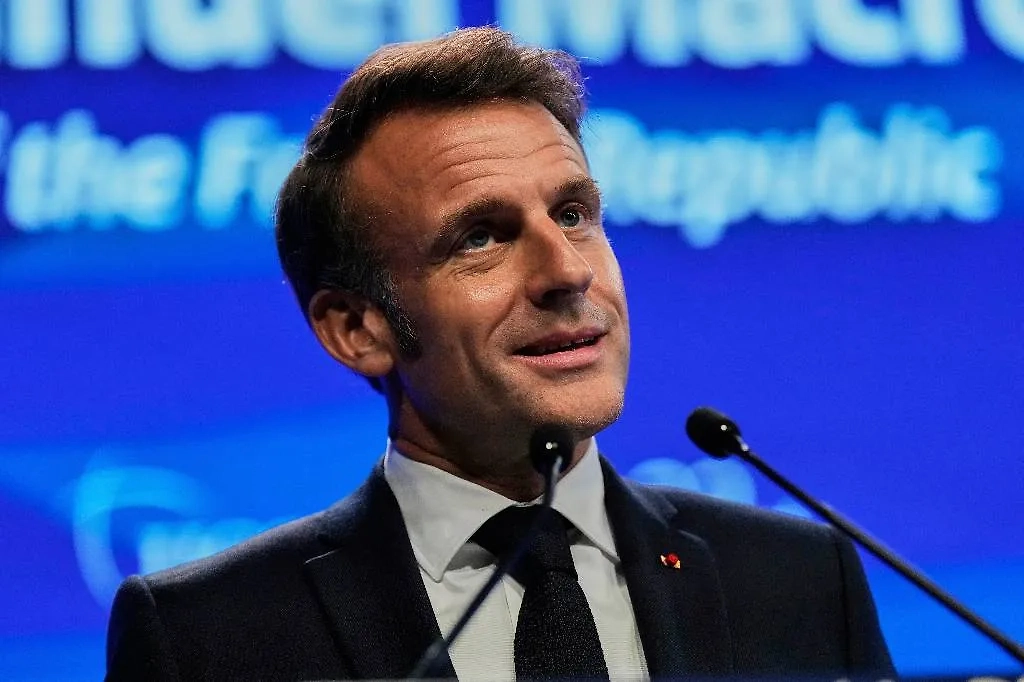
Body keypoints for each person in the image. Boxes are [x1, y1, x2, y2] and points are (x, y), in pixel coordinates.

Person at [105, 27, 895, 681]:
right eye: (480, 237)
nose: (567, 272)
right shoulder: (208, 636)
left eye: (573, 214)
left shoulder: (797, 578)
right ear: (356, 329)